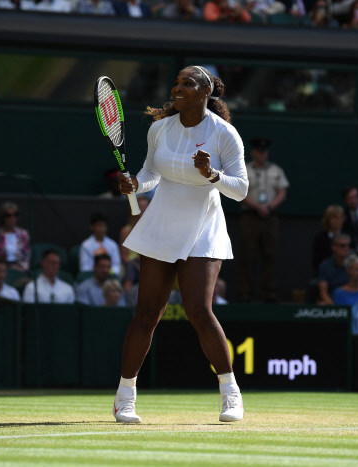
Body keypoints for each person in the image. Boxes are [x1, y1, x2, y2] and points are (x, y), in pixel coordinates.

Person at [116, 65, 248, 423]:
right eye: (176, 83)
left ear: (206, 91)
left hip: (203, 225)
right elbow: (149, 174)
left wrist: (213, 175)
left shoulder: (225, 134)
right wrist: (135, 186)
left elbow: (241, 190)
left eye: (188, 83)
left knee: (198, 310)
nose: (179, 88)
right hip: (161, 222)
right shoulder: (160, 128)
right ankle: (125, 396)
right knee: (146, 313)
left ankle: (230, 394)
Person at [239, 137, 289, 303]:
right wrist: (257, 207)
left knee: (270, 254)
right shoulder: (245, 169)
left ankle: (270, 293)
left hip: (270, 217)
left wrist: (270, 206)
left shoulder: (276, 170)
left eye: (265, 151)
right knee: (248, 254)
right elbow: (240, 193)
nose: (262, 154)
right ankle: (246, 293)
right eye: (259, 151)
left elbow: (282, 192)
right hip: (250, 216)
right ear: (253, 152)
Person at [0, 202, 30, 272]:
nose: (12, 218)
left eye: (15, 215)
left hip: (19, 269)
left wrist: (22, 268)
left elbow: (27, 255)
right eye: (8, 215)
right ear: (3, 217)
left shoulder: (23, 234)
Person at [80, 212, 122, 276]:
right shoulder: (85, 245)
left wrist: (107, 272)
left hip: (109, 277)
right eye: (99, 225)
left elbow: (116, 266)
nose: (102, 228)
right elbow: (84, 268)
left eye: (104, 225)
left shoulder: (113, 244)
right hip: (91, 277)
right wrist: (98, 273)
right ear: (92, 227)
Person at [317, 233, 352, 305]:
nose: (346, 248)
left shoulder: (355, 264)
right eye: (342, 245)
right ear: (333, 247)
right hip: (332, 302)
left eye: (348, 245)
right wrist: (335, 308)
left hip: (352, 302)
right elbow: (323, 292)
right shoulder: (325, 265)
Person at [312, 205, 345, 275]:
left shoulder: (348, 236)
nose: (339, 221)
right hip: (326, 275)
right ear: (328, 220)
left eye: (341, 218)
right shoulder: (320, 238)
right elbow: (316, 261)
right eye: (336, 218)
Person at [119, 195, 150, 267]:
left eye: (146, 207)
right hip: (131, 266)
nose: (144, 209)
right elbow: (124, 257)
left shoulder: (152, 230)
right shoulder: (126, 231)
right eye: (141, 206)